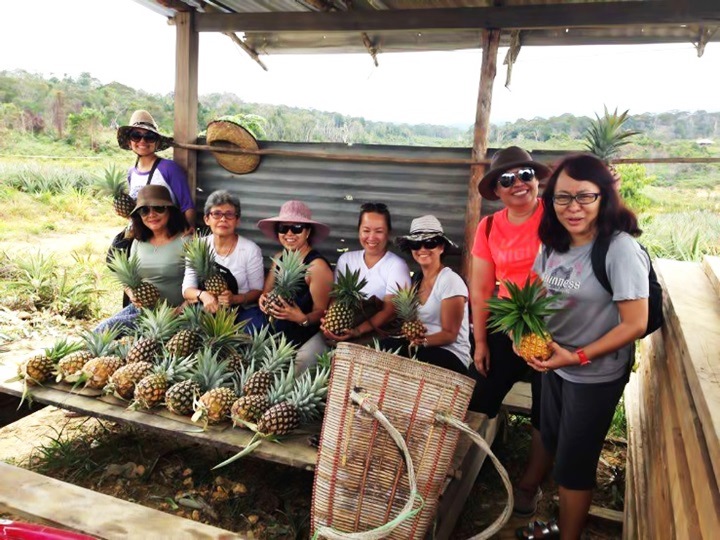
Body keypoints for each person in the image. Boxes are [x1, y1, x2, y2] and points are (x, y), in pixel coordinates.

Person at [521, 153, 649, 539]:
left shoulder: (619, 249)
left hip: (593, 373)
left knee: (575, 463)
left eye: (585, 197)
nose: (572, 207)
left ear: (603, 197)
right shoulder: (553, 244)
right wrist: (520, 334)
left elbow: (636, 323)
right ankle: (558, 522)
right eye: (562, 198)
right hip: (555, 362)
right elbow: (534, 293)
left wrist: (576, 356)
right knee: (557, 443)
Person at [468, 146, 553, 517]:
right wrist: (481, 341)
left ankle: (530, 484)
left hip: (551, 323)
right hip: (505, 319)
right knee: (478, 392)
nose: (518, 184)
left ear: (537, 180)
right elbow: (482, 287)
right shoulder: (488, 226)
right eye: (507, 180)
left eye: (525, 175)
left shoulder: (557, 217)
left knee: (546, 407)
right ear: (497, 190)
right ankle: (462, 464)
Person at [380, 215, 470, 375]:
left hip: (450, 354)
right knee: (382, 346)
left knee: (406, 354)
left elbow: (450, 334)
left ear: (441, 247)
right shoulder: (415, 281)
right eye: (416, 244)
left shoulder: (450, 280)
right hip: (420, 348)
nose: (422, 249)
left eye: (430, 243)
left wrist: (420, 342)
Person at [96, 185, 189, 333]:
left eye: (158, 208)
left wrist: (180, 310)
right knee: (100, 331)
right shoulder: (138, 242)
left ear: (170, 210)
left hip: (176, 315)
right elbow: (128, 278)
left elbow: (200, 285)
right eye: (144, 210)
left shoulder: (186, 241)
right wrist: (131, 294)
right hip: (142, 312)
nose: (151, 214)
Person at [256, 201, 334, 373]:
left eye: (297, 227)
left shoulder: (316, 267)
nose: (289, 233)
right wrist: (263, 300)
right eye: (283, 228)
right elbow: (266, 292)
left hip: (305, 334)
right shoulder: (279, 258)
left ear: (307, 232)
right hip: (277, 331)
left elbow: (322, 311)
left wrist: (301, 318)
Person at [320, 202, 411, 343]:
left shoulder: (397, 265)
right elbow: (336, 298)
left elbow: (389, 311)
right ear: (359, 231)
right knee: (305, 357)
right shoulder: (346, 259)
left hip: (373, 335)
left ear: (388, 233)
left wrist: (357, 331)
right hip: (341, 327)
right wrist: (331, 323)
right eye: (366, 230)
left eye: (379, 231)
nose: (371, 237)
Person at [182, 190, 264, 328]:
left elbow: (256, 291)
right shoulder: (197, 246)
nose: (223, 219)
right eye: (216, 214)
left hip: (239, 312)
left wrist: (235, 299)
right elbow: (187, 290)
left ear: (237, 220)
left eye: (229, 214)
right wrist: (203, 295)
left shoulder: (250, 250)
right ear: (207, 219)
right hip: (204, 309)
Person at [117, 109, 196, 230]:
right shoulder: (131, 173)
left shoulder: (169, 168)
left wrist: (189, 232)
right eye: (136, 136)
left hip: (167, 236)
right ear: (129, 142)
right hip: (140, 236)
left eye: (149, 137)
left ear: (157, 142)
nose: (142, 141)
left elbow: (187, 205)